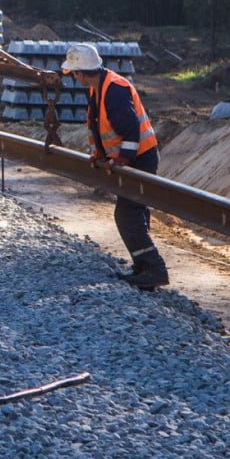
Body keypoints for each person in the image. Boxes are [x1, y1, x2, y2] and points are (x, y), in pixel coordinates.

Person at [62, 42, 168, 289]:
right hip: (136, 157)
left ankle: (154, 268)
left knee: (127, 213)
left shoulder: (115, 90)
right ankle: (143, 266)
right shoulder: (99, 87)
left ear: (81, 71)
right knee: (135, 212)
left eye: (74, 72)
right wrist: (100, 153)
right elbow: (102, 125)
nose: (73, 76)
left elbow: (131, 131)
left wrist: (123, 160)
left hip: (140, 158)